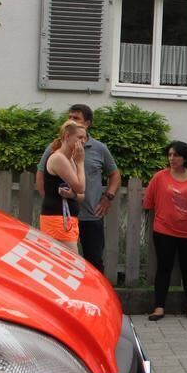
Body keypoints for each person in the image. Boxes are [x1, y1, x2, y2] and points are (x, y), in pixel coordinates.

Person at [36, 104, 121, 274]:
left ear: (87, 123)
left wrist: (108, 197)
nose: (71, 120)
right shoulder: (57, 151)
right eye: (70, 117)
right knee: (65, 266)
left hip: (89, 214)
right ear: (67, 135)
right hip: (61, 217)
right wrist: (52, 198)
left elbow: (114, 175)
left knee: (94, 260)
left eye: (76, 118)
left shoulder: (98, 148)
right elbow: (41, 176)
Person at [143, 141, 187, 321]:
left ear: (185, 157)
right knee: (163, 268)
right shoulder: (159, 177)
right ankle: (159, 307)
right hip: (164, 230)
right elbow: (148, 203)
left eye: (176, 155)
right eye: (169, 155)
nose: (172, 158)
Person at [39, 120, 86, 252]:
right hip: (57, 218)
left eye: (85, 138)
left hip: (68, 219)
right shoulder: (58, 158)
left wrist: (72, 194)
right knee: (71, 264)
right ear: (67, 136)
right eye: (80, 137)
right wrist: (81, 163)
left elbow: (82, 195)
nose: (83, 141)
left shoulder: (70, 159)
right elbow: (80, 187)